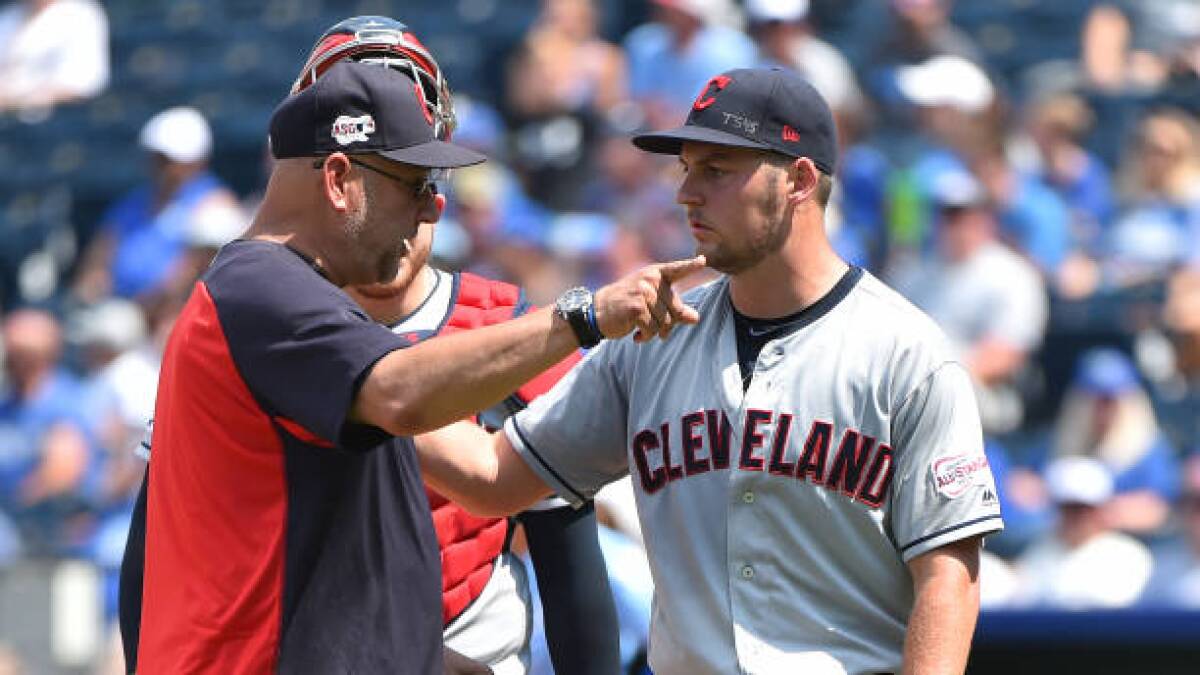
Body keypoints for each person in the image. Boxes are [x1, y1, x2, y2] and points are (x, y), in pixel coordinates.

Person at [119, 59, 704, 674]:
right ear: (340, 178)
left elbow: (487, 477)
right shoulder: (259, 289)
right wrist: (586, 316)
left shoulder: (308, 317)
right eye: (414, 185)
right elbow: (403, 396)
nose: (431, 210)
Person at [415, 66, 1004, 674]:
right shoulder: (650, 341)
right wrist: (367, 390)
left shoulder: (906, 353)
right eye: (687, 168)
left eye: (717, 171)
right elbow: (496, 476)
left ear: (798, 180)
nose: (686, 193)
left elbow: (948, 579)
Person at [295, 16, 619, 675]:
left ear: (433, 194)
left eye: (402, 177)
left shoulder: (504, 326)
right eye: (364, 174)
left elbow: (568, 551)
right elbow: (167, 542)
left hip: (478, 643)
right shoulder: (254, 315)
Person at [72, 106, 243, 304]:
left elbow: (192, 274)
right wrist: (93, 288)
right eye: (157, 158)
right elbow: (98, 257)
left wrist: (146, 307)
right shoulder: (132, 202)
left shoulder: (215, 203)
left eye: (168, 159)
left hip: (171, 312)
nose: (161, 166)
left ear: (197, 161)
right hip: (116, 306)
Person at [1013, 456, 1153, 609]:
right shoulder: (1038, 553)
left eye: (1083, 508)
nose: (1076, 517)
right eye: (1068, 508)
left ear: (1101, 508)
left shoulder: (1129, 555)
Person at [0, 0, 108, 114]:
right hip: (13, 114)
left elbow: (78, 86)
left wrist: (16, 100)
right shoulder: (10, 16)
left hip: (64, 116)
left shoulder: (81, 14)